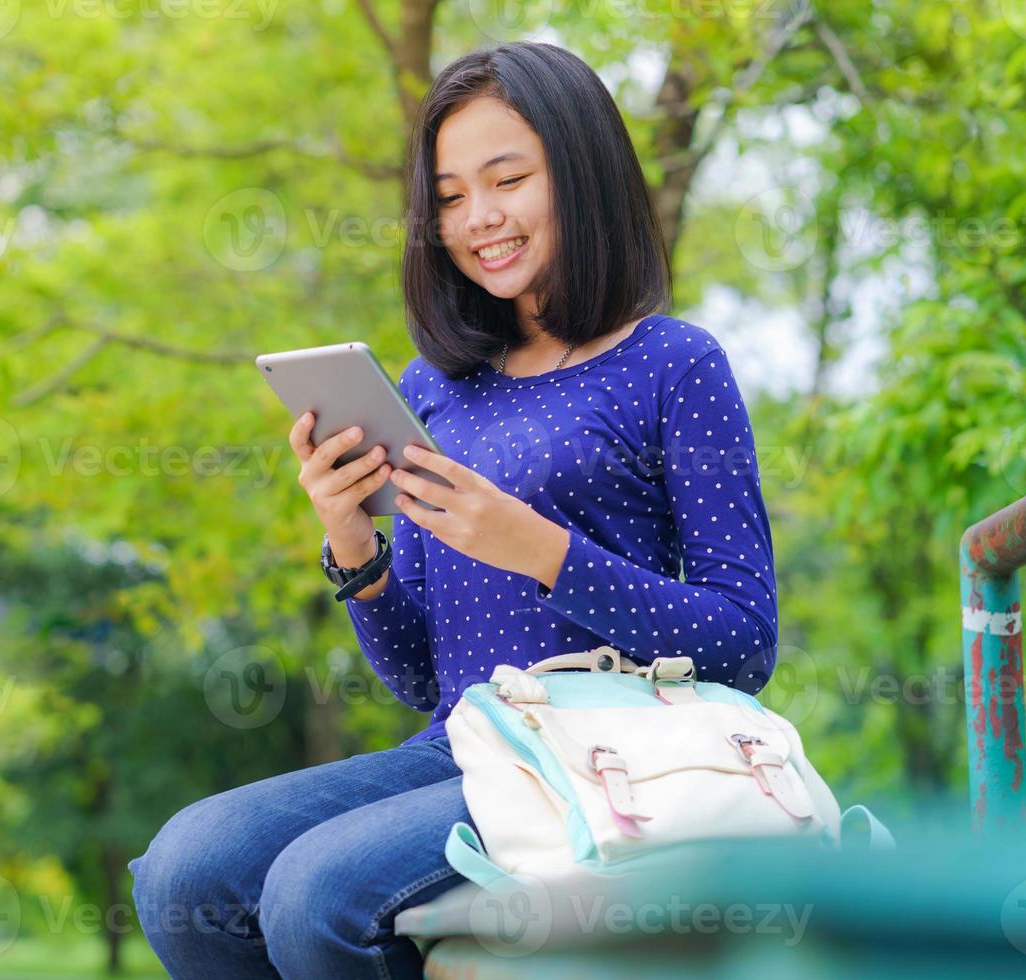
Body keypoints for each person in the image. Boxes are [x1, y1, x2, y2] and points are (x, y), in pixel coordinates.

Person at [128, 40, 779, 978]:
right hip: (465, 749)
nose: (480, 218)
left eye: (507, 179)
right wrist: (353, 542)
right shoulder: (436, 387)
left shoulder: (674, 363)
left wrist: (543, 551)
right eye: (449, 196)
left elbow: (745, 638)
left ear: (581, 174)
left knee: (318, 894)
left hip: (606, 754)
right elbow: (419, 675)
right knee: (185, 873)